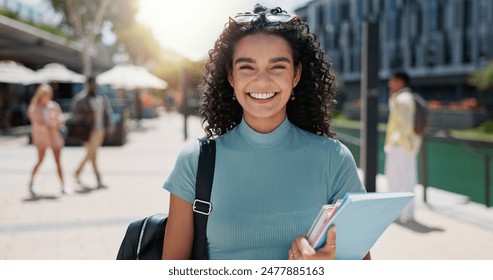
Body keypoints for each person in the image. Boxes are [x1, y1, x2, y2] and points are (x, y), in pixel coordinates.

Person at [162, 4, 369, 260]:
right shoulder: (194, 161)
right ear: (230, 76)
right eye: (247, 67)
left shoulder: (335, 159)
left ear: (296, 75)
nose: (262, 80)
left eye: (277, 67)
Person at [384, 71, 421, 222]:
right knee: (408, 179)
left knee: (395, 179)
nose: (389, 84)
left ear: (400, 81)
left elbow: (405, 124)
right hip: (407, 145)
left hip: (400, 144)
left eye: (392, 80)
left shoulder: (402, 99)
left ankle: (397, 213)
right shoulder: (407, 97)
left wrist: (396, 139)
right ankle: (408, 213)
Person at [28, 83, 73, 197]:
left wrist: (55, 123)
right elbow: (39, 125)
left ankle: (63, 185)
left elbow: (60, 119)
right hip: (42, 139)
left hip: (54, 137)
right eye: (46, 94)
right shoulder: (35, 108)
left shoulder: (54, 106)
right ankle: (32, 183)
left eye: (49, 94)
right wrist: (52, 124)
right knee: (40, 161)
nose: (48, 96)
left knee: (58, 162)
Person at [71, 76, 113, 189]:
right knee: (93, 155)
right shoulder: (81, 99)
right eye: (92, 84)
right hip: (88, 131)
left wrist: (108, 128)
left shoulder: (102, 97)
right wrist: (86, 115)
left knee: (91, 154)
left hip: (100, 130)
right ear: (88, 85)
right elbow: (74, 114)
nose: (94, 86)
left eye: (95, 84)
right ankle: (99, 179)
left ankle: (77, 172)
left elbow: (107, 113)